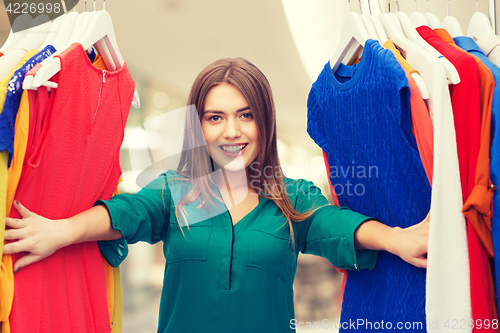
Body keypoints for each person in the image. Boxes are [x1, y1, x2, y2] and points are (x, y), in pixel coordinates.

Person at [3, 58, 429, 333]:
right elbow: (124, 212)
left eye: (246, 115)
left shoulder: (290, 198)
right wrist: (61, 230)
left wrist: (397, 238)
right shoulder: (176, 193)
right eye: (215, 117)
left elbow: (335, 223)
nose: (231, 131)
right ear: (199, 127)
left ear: (265, 123)